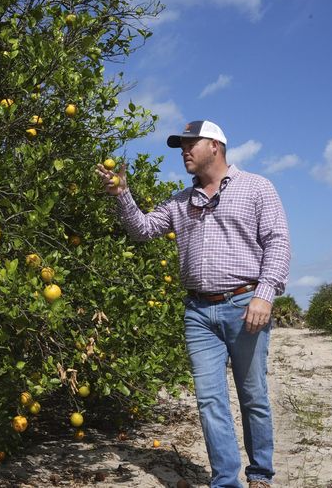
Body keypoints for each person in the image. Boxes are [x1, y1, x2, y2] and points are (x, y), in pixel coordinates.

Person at [96, 120, 291, 488]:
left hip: (246, 304)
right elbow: (143, 230)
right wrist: (123, 194)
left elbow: (278, 242)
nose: (184, 151)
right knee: (210, 401)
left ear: (215, 146)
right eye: (181, 146)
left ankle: (260, 474)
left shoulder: (257, 187)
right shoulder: (179, 201)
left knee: (253, 397)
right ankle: (225, 482)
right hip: (198, 313)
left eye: (191, 144)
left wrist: (265, 295)